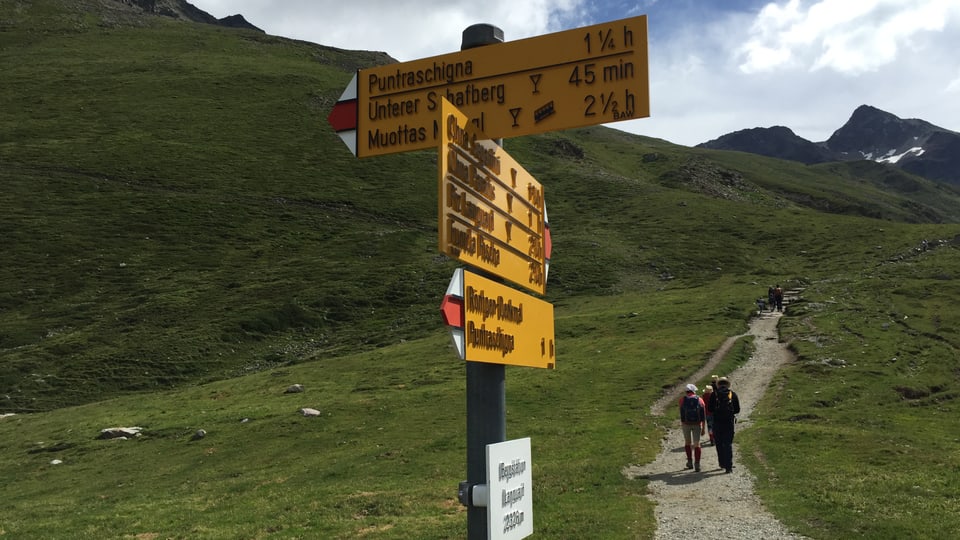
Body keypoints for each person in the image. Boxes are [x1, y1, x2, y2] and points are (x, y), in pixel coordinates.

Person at [707, 376, 741, 473]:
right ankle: (728, 466)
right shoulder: (732, 394)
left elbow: (709, 409)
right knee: (728, 444)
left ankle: (721, 462)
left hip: (717, 422)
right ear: (727, 384)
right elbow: (737, 409)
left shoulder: (714, 394)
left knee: (719, 443)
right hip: (729, 422)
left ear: (718, 384)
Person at [678, 383, 706, 471]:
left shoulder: (682, 400)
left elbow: (681, 412)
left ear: (686, 391)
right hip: (697, 424)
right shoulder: (700, 400)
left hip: (686, 424)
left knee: (687, 443)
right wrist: (703, 428)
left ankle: (689, 462)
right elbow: (703, 415)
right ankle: (697, 464)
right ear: (694, 391)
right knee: (697, 444)